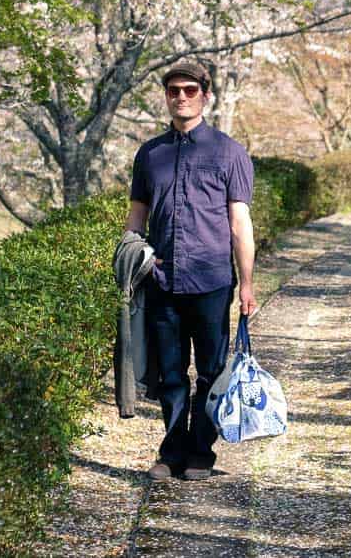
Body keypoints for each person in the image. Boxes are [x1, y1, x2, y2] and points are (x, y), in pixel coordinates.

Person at [123, 59, 257, 482]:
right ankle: (171, 452)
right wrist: (132, 259)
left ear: (205, 95)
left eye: (189, 90)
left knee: (213, 372)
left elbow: (240, 224)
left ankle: (202, 451)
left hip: (213, 282)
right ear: (166, 97)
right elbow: (136, 218)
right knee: (171, 375)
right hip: (162, 281)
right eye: (173, 90)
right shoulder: (150, 154)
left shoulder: (229, 152)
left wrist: (248, 285)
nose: (181, 96)